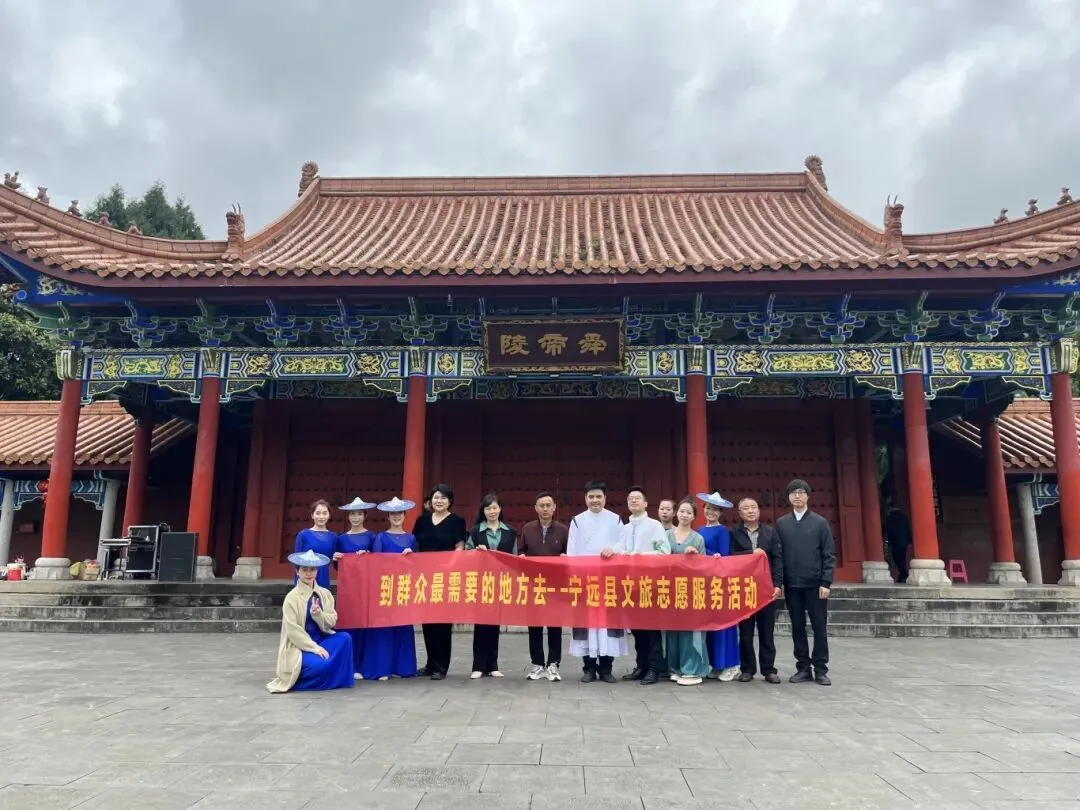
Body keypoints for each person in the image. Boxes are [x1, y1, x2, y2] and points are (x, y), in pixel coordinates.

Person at [267, 549, 354, 693]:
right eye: (304, 569)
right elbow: (293, 631)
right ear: (297, 572)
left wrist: (319, 615)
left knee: (345, 638)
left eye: (312, 569)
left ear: (317, 571)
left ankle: (331, 674)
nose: (309, 573)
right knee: (320, 666)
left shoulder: (325, 594)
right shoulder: (292, 598)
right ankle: (298, 680)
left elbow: (332, 621)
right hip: (300, 646)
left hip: (321, 640)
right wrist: (315, 648)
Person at [776, 478, 836, 686]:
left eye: (801, 492)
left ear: (808, 496)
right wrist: (779, 581)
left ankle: (821, 669)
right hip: (792, 585)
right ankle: (803, 667)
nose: (797, 496)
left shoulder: (820, 523)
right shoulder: (782, 523)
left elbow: (828, 554)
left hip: (815, 585)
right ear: (789, 497)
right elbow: (778, 555)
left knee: (819, 627)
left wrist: (826, 582)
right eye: (793, 492)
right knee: (797, 627)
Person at [567, 481, 626, 683]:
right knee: (587, 625)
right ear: (585, 499)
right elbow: (572, 550)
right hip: (586, 581)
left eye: (598, 496)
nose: (595, 500)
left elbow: (623, 544)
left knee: (607, 625)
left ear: (605, 498)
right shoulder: (577, 521)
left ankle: (607, 668)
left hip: (609, 581)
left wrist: (613, 549)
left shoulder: (615, 519)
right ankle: (589, 668)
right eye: (591, 497)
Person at [412, 483, 467, 680]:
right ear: (430, 500)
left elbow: (460, 546)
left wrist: (450, 565)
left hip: (446, 576)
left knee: (442, 622)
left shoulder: (457, 521)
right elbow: (415, 543)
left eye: (443, 498)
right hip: (424, 577)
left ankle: (441, 666)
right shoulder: (422, 520)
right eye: (436, 497)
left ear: (450, 501)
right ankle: (430, 663)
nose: (439, 501)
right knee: (427, 621)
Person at [363, 497, 419, 681]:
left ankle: (402, 667)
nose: (396, 517)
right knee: (384, 628)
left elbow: (418, 566)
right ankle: (382, 667)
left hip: (404, 587)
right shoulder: (381, 537)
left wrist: (411, 556)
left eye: (399, 513)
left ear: (404, 515)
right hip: (386, 587)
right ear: (388, 517)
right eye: (393, 514)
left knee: (403, 626)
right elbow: (376, 563)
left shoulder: (411, 538)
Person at [621, 485, 671, 686]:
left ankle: (654, 668)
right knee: (637, 629)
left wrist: (641, 556)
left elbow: (664, 551)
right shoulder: (625, 528)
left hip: (649, 584)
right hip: (630, 584)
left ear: (645, 503)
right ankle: (641, 666)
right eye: (630, 498)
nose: (633, 501)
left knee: (651, 628)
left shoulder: (654, 526)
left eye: (637, 498)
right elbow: (620, 549)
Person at [731, 497, 783, 684]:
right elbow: (731, 557)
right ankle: (747, 669)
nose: (750, 511)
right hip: (743, 588)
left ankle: (769, 669)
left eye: (753, 507)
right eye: (746, 508)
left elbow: (777, 559)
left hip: (766, 588)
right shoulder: (734, 533)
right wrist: (750, 554)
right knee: (745, 632)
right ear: (740, 513)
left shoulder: (770, 532)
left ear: (759, 511)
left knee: (766, 631)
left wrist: (777, 584)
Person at [519, 491, 569, 682]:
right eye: (542, 505)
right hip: (534, 584)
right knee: (535, 626)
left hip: (556, 585)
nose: (545, 509)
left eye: (548, 505)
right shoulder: (528, 529)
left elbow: (568, 553)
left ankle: (553, 663)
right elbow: (522, 550)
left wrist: (565, 558)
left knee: (555, 626)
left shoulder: (563, 530)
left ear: (554, 508)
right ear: (536, 508)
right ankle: (538, 664)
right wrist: (522, 557)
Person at [466, 493, 517, 679]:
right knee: (481, 624)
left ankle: (492, 665)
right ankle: (478, 666)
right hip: (481, 582)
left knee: (494, 624)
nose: (492, 511)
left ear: (500, 509)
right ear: (483, 511)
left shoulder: (510, 532)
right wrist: (476, 551)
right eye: (488, 508)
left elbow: (514, 557)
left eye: (495, 508)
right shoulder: (475, 532)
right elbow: (466, 555)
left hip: (501, 582)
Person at [665, 498, 709, 686]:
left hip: (690, 590)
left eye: (688, 513)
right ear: (676, 513)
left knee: (690, 631)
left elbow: (705, 567)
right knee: (672, 630)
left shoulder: (698, 539)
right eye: (682, 511)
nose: (684, 515)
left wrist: (695, 557)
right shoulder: (666, 535)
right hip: (669, 589)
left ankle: (692, 669)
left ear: (693, 517)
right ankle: (675, 667)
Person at [698, 491, 740, 682]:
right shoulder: (699, 530)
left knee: (724, 625)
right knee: (710, 626)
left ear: (721, 512)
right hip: (704, 583)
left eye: (715, 509)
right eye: (708, 508)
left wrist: (712, 557)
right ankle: (716, 664)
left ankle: (731, 664)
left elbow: (724, 557)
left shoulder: (722, 531)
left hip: (719, 582)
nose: (711, 512)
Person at [334, 497, 376, 679]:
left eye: (359, 514)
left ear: (365, 516)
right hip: (347, 588)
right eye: (352, 514)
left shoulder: (372, 537)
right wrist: (337, 558)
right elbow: (338, 566)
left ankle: (363, 664)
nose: (355, 517)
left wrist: (368, 556)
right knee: (347, 623)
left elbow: (378, 561)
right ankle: (348, 664)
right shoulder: (341, 539)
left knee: (364, 625)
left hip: (366, 588)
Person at [293, 500, 338, 589]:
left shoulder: (333, 536)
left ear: (329, 515)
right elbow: (296, 562)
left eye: (324, 513)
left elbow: (335, 561)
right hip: (306, 578)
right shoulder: (303, 534)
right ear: (312, 515)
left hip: (323, 577)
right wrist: (297, 584)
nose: (321, 517)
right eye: (318, 513)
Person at [883, 499, 912, 583]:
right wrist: (909, 540)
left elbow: (887, 529)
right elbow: (908, 529)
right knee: (902, 558)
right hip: (904, 541)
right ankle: (902, 575)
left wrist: (887, 540)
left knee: (897, 558)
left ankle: (904, 575)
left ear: (890, 508)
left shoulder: (890, 517)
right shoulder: (904, 516)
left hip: (895, 541)